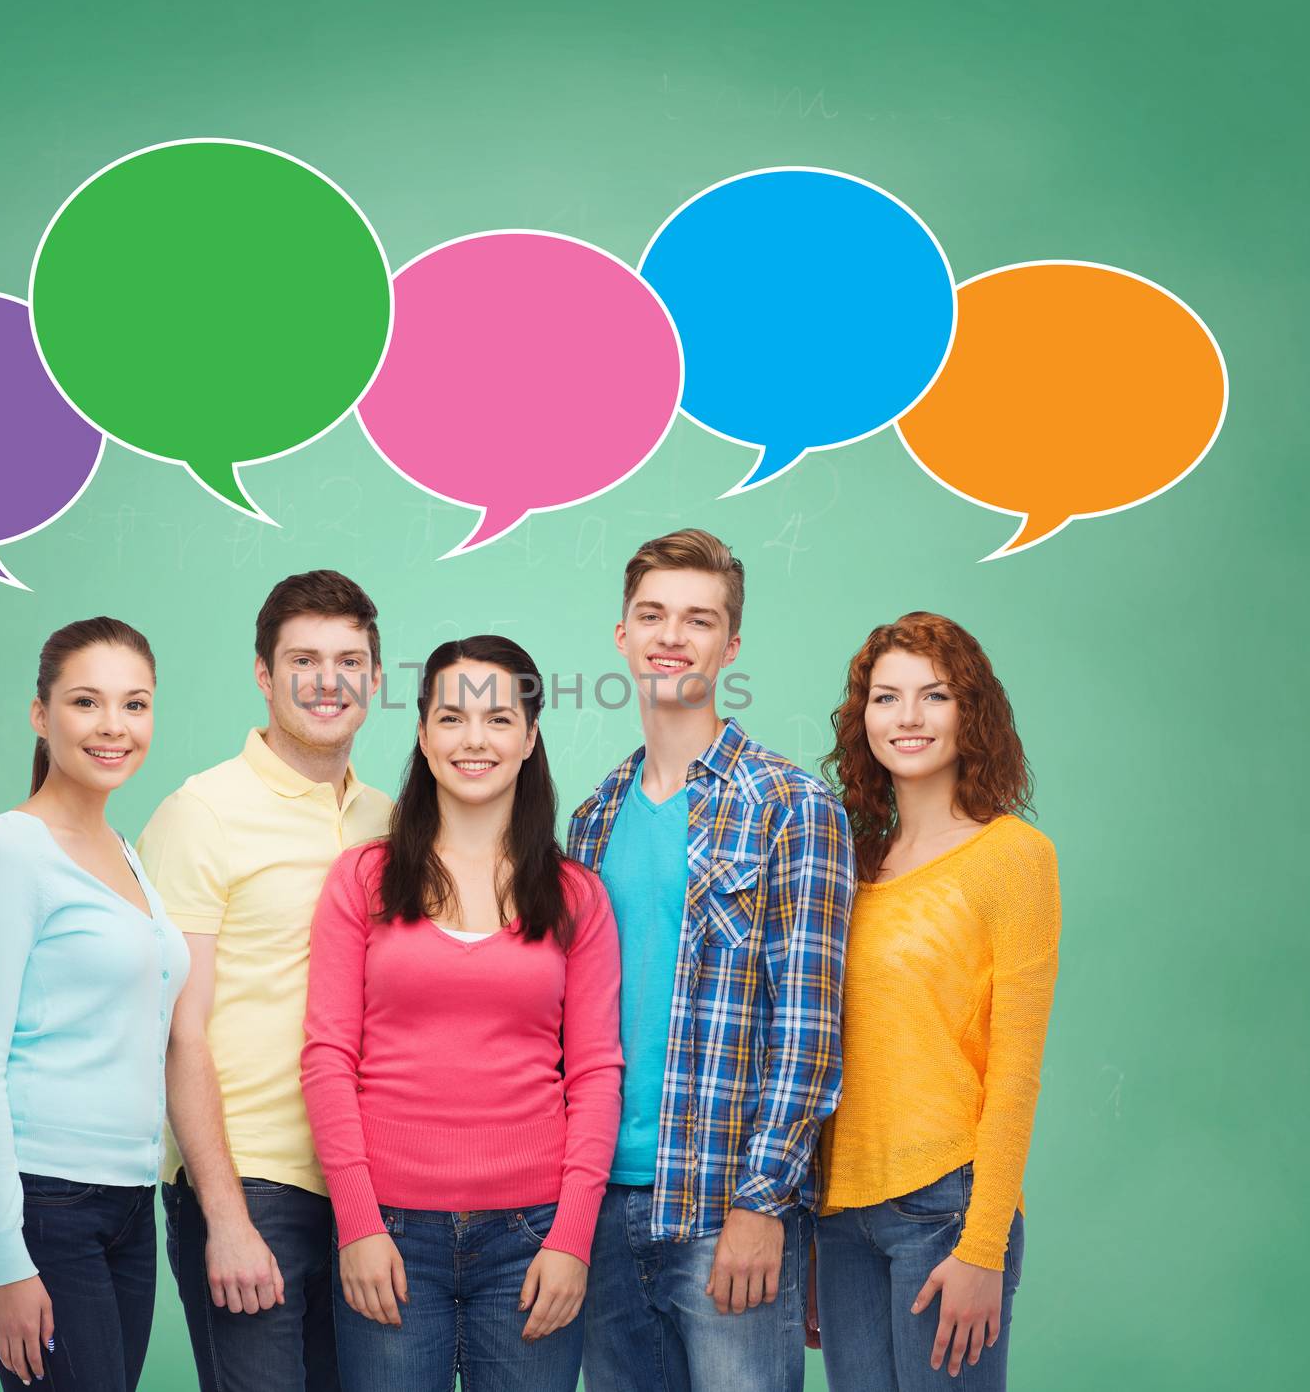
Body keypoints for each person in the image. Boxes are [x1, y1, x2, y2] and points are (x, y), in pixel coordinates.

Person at [569, 528, 857, 1392]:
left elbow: (809, 1031)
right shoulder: (590, 819)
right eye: (652, 614)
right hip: (599, 1210)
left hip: (720, 1208)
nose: (671, 635)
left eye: (698, 620)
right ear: (620, 634)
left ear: (730, 647)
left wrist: (763, 1204)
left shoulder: (791, 806)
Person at [301, 636, 624, 1392]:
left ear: (530, 737)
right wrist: (358, 1221)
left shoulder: (577, 896)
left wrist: (572, 1237)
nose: (474, 739)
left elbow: (598, 1075)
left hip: (532, 1239)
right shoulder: (364, 879)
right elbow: (326, 1058)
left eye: (498, 719)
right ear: (422, 734)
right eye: (451, 717)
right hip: (390, 1231)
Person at [138, 570, 392, 1392]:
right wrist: (225, 1216)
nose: (328, 681)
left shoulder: (391, 821)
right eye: (303, 659)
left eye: (349, 659)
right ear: (262, 673)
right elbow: (177, 1029)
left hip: (368, 1189)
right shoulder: (200, 813)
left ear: (377, 678)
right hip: (252, 1183)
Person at [811, 611, 1060, 1389]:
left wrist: (985, 1245)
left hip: (946, 1209)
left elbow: (1016, 1070)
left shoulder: (1013, 858)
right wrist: (814, 1233)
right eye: (887, 698)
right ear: (863, 721)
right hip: (839, 1216)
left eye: (935, 695)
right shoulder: (847, 862)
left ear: (971, 713)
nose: (909, 718)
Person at [0, 617, 189, 1392]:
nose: (114, 727)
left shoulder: (126, 854)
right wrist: (6, 1253)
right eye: (87, 702)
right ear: (41, 713)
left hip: (126, 1201)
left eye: (136, 704)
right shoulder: (14, 847)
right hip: (42, 1202)